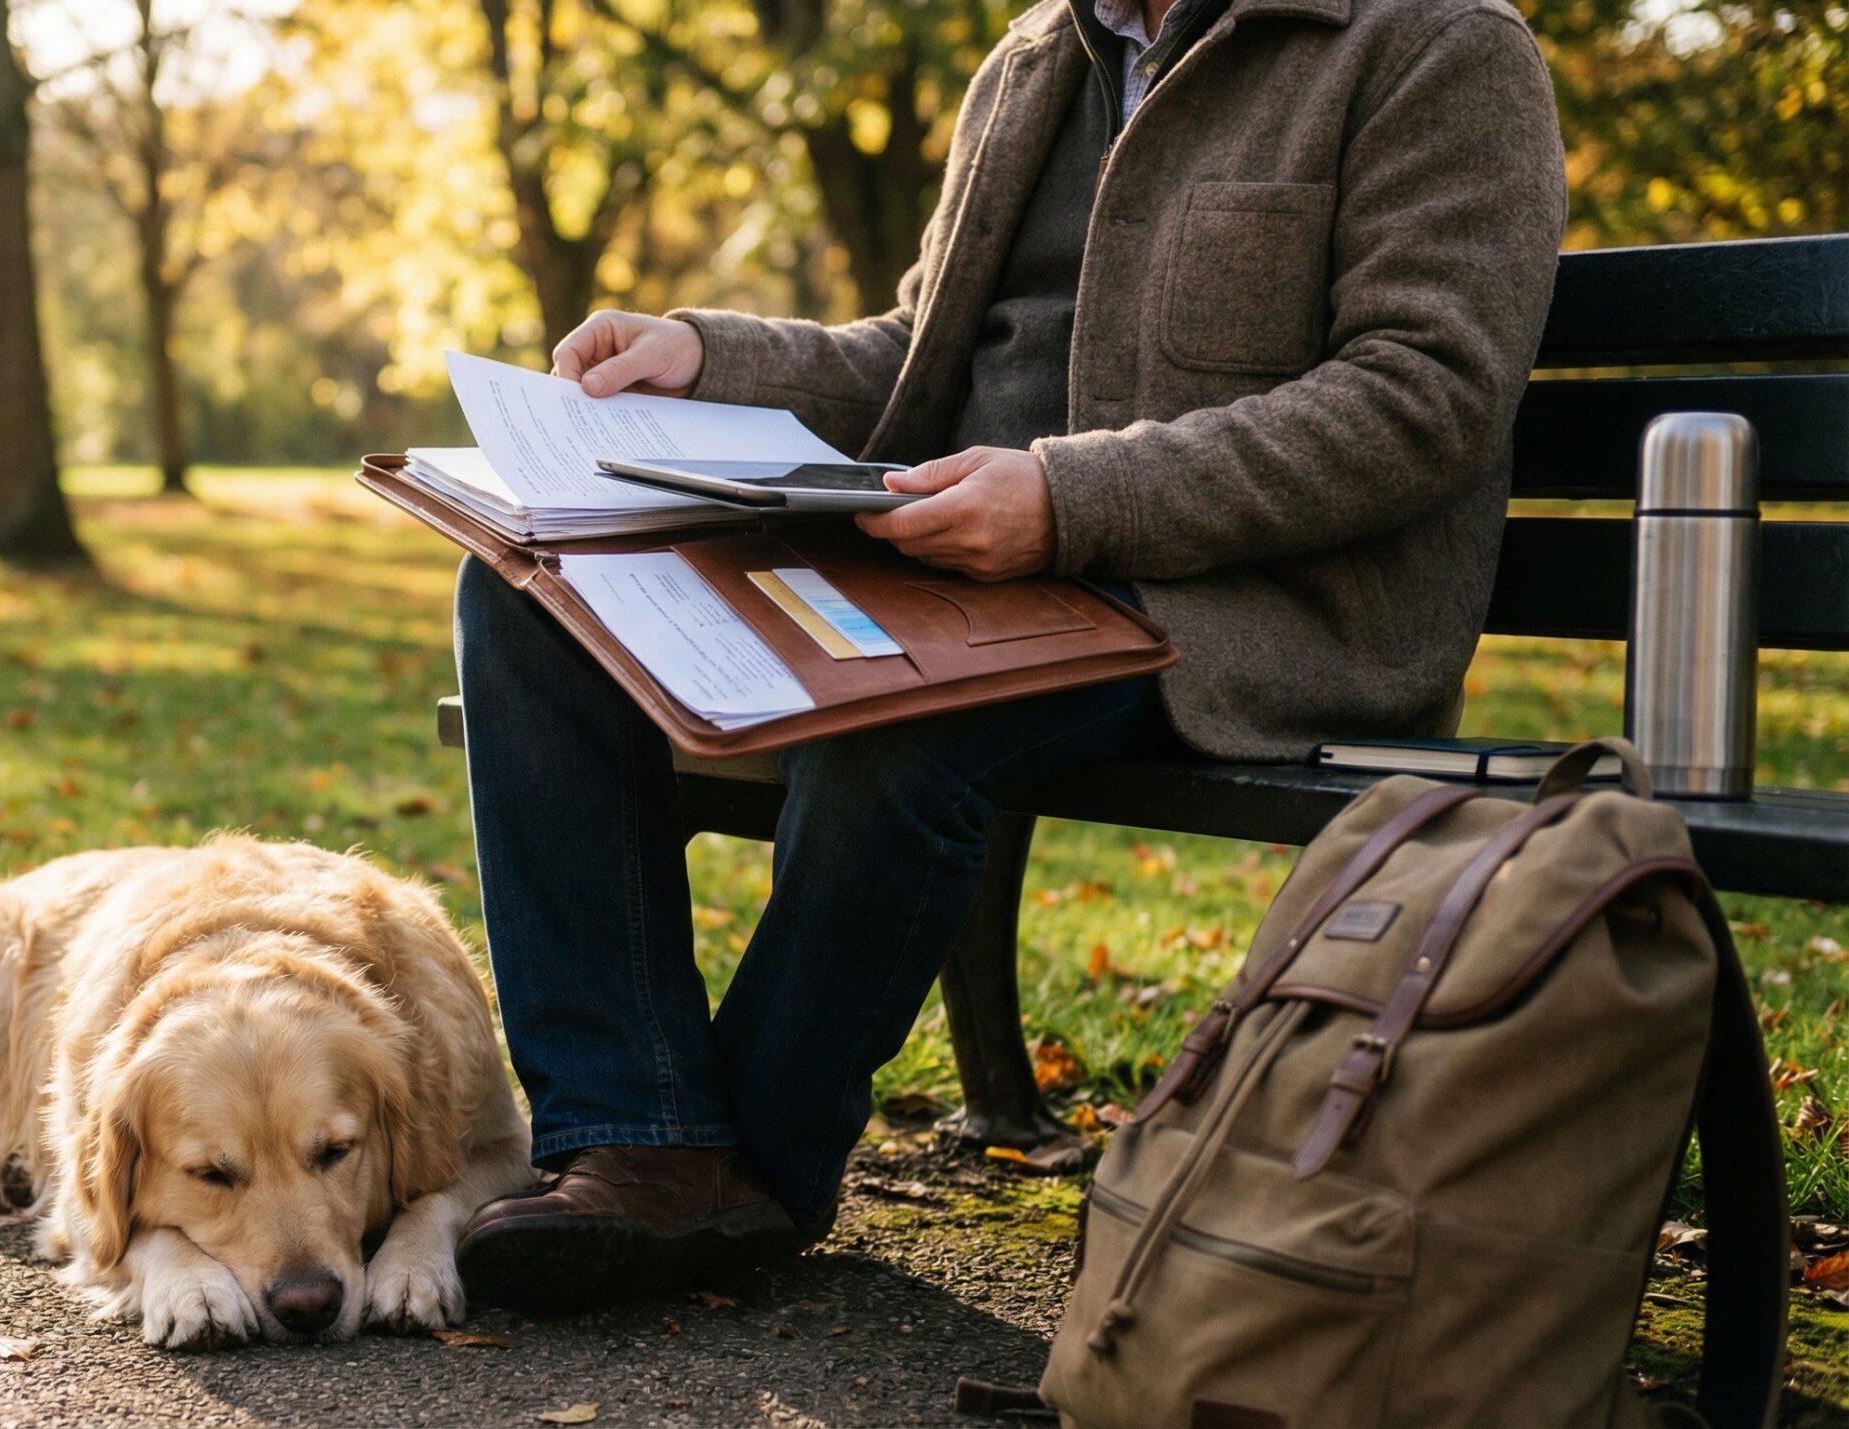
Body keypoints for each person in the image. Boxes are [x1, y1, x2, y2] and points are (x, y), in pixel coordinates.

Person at [450, 0, 1567, 1311]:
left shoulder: (1436, 44)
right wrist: (706, 356)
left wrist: (1067, 502)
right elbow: (921, 351)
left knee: (909, 714)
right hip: (969, 567)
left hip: (1233, 611)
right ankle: (631, 1133)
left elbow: (1420, 395)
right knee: (531, 588)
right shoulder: (1036, 60)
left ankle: (737, 1169)